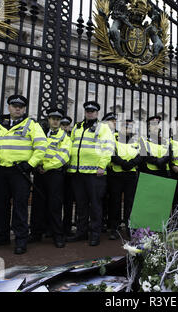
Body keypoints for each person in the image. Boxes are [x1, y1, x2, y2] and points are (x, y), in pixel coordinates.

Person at [0, 94, 47, 255]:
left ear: (24, 109)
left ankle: (21, 240)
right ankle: (2, 236)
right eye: (14, 105)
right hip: (1, 171)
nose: (17, 108)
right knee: (0, 206)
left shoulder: (31, 124)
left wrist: (30, 164)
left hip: (20, 172)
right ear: (9, 107)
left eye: (20, 106)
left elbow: (41, 146)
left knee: (20, 207)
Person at [66, 101, 114, 246]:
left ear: (97, 113)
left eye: (92, 111)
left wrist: (102, 165)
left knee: (95, 205)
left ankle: (95, 234)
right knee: (81, 205)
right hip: (77, 171)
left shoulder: (103, 127)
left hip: (95, 172)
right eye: (88, 111)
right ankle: (81, 232)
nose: (90, 113)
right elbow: (71, 145)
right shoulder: (77, 127)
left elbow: (108, 147)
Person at [29, 108, 71, 248]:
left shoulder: (64, 136)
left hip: (54, 174)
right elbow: (34, 149)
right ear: (48, 119)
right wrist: (37, 166)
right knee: (37, 204)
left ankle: (57, 235)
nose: (55, 121)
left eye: (58, 119)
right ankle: (36, 233)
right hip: (40, 173)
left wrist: (45, 167)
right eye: (53, 118)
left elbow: (63, 156)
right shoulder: (40, 134)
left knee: (55, 205)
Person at [108, 119, 141, 240]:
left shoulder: (137, 139)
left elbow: (141, 155)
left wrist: (131, 163)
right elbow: (111, 153)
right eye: (125, 126)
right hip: (116, 174)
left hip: (131, 175)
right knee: (115, 202)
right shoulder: (113, 138)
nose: (128, 129)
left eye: (130, 126)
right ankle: (114, 229)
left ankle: (130, 228)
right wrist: (123, 163)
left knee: (130, 203)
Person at [102, 112, 118, 234]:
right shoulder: (101, 134)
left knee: (113, 199)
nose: (113, 123)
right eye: (110, 121)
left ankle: (112, 223)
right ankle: (102, 221)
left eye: (114, 121)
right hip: (102, 169)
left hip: (113, 171)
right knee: (101, 198)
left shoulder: (118, 135)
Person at [59, 115, 75, 236]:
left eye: (66, 125)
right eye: (62, 125)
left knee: (68, 203)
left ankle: (67, 227)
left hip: (69, 174)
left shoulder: (72, 138)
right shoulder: (54, 136)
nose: (64, 127)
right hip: (57, 172)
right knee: (56, 202)